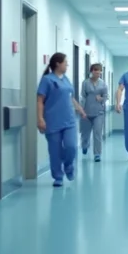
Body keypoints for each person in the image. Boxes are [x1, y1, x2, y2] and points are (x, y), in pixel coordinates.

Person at [37, 53, 87, 187]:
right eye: (66, 62)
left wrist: (80, 109)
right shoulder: (47, 80)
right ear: (58, 64)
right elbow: (40, 100)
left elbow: (70, 97)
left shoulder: (66, 79)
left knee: (71, 147)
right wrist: (40, 118)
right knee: (55, 151)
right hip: (52, 120)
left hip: (69, 120)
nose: (67, 65)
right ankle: (58, 177)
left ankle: (69, 167)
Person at [80, 63, 108, 162]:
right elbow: (83, 96)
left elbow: (106, 96)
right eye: (96, 70)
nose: (98, 72)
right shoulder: (85, 83)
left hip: (99, 112)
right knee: (85, 134)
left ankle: (97, 154)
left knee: (97, 133)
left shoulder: (103, 83)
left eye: (99, 70)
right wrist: (81, 109)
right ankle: (84, 145)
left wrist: (101, 98)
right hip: (86, 112)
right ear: (91, 71)